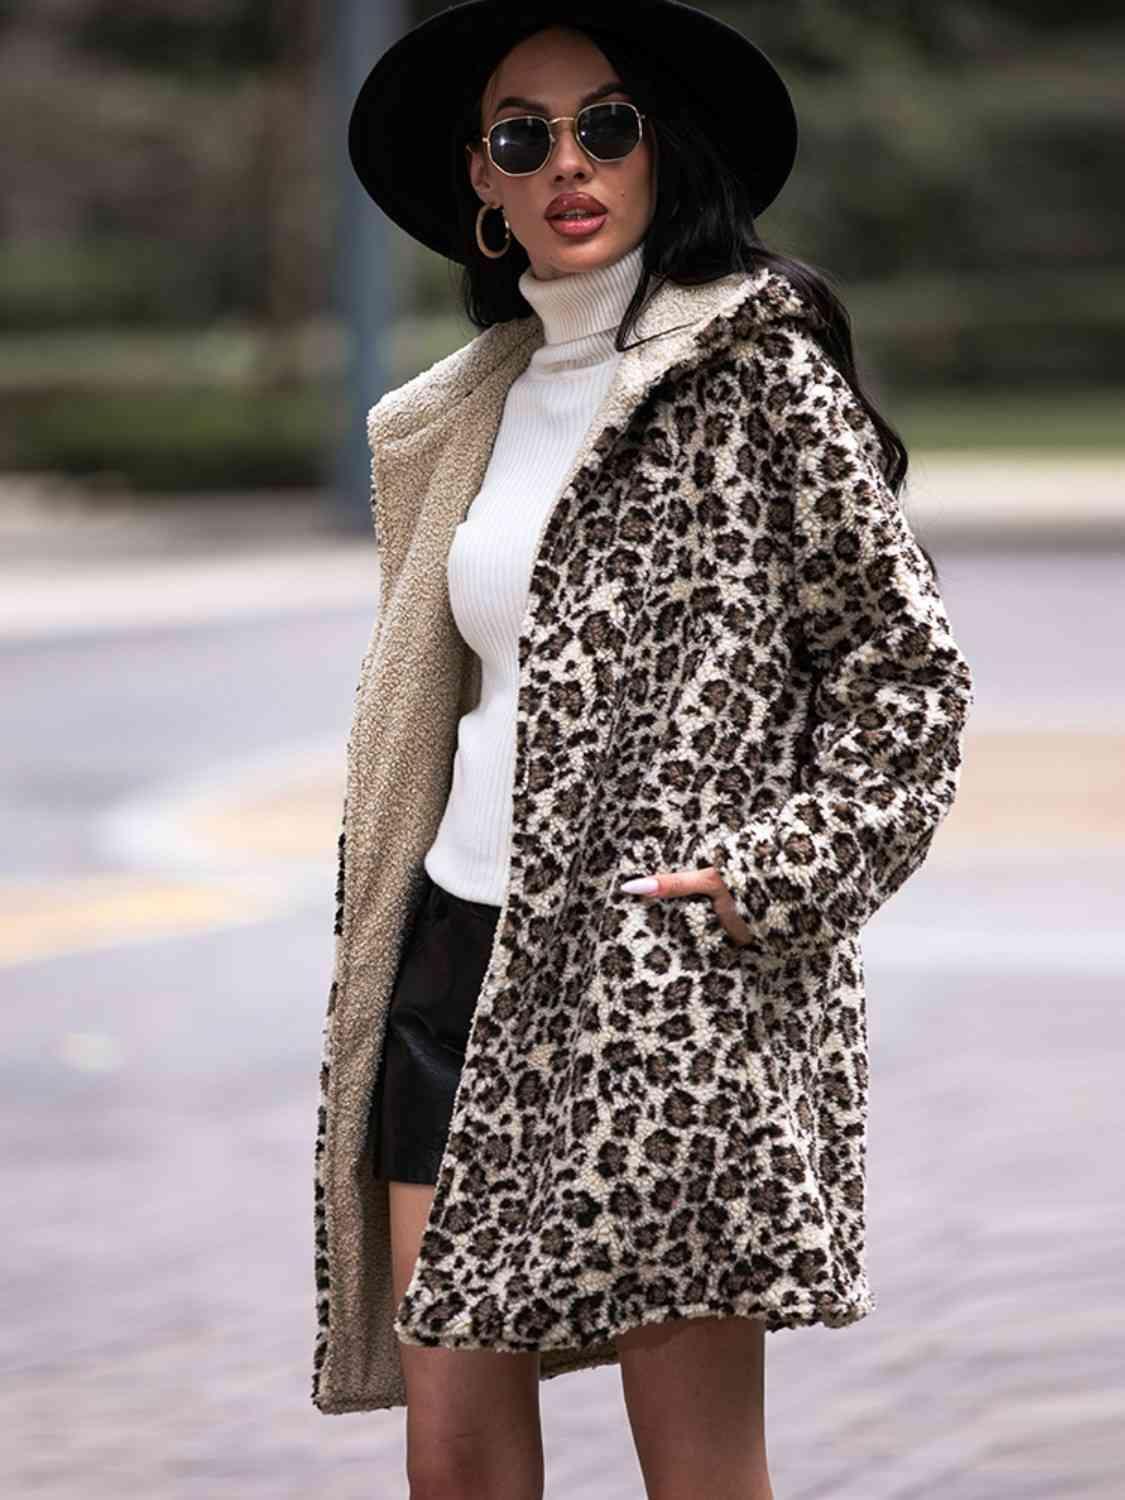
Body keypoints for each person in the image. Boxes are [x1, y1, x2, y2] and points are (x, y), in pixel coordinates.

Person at [312, 6, 975, 1499]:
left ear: (661, 145)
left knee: (694, 1467)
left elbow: (906, 679)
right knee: (455, 1446)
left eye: (605, 124)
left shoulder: (757, 379)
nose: (568, 162)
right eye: (521, 134)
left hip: (664, 965)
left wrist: (766, 880)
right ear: (479, 182)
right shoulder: (454, 419)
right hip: (453, 955)